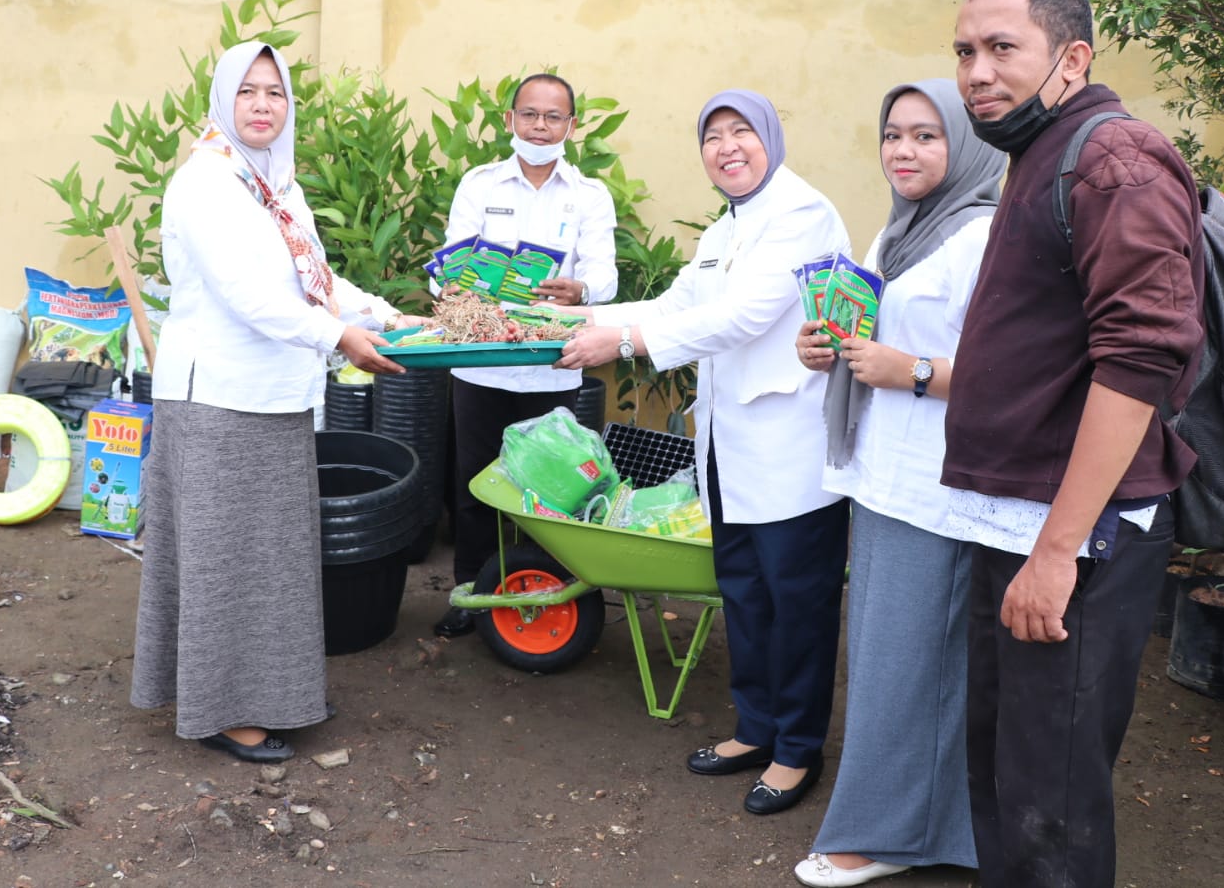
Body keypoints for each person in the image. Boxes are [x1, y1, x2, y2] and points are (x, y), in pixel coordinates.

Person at [942, 0, 1204, 887]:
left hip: (1073, 537)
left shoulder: (1111, 160)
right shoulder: (1038, 154)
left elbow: (1140, 359)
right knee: (1007, 781)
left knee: (1049, 803)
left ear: (1071, 57)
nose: (977, 70)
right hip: (1016, 522)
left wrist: (1053, 553)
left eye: (1002, 47)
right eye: (966, 50)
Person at [130, 41, 426, 763]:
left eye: (275, 93)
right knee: (227, 560)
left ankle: (272, 691)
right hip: (217, 401)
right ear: (222, 102)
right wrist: (341, 339)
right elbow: (249, 296)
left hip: (271, 397)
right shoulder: (204, 184)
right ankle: (224, 712)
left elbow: (314, 280)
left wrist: (386, 316)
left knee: (273, 559)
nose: (263, 105)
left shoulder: (274, 188)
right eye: (247, 92)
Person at [556, 90, 850, 816]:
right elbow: (678, 304)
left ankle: (795, 750)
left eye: (739, 132)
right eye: (711, 136)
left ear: (769, 138)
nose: (726, 147)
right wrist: (583, 316)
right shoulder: (728, 224)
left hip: (789, 451)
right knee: (745, 595)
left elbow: (744, 314)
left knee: (796, 604)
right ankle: (755, 729)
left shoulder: (801, 214)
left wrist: (620, 343)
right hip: (730, 447)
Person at [792, 79, 1004, 887]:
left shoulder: (981, 233)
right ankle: (929, 826)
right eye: (892, 136)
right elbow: (876, 330)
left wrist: (903, 369)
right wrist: (830, 347)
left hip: (937, 486)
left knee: (909, 661)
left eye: (925, 137)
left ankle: (884, 834)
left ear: (965, 147)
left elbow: (1009, 374)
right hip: (883, 476)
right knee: (892, 657)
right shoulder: (903, 230)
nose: (903, 153)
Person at [432, 72, 619, 638]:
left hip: (552, 364)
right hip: (482, 365)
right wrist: (456, 286)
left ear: (572, 125)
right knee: (474, 487)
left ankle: (543, 592)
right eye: (530, 114)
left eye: (554, 116)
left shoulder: (589, 195)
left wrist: (580, 290)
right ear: (509, 120)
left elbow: (603, 273)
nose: (541, 126)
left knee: (553, 491)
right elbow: (452, 263)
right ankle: (471, 593)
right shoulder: (481, 184)